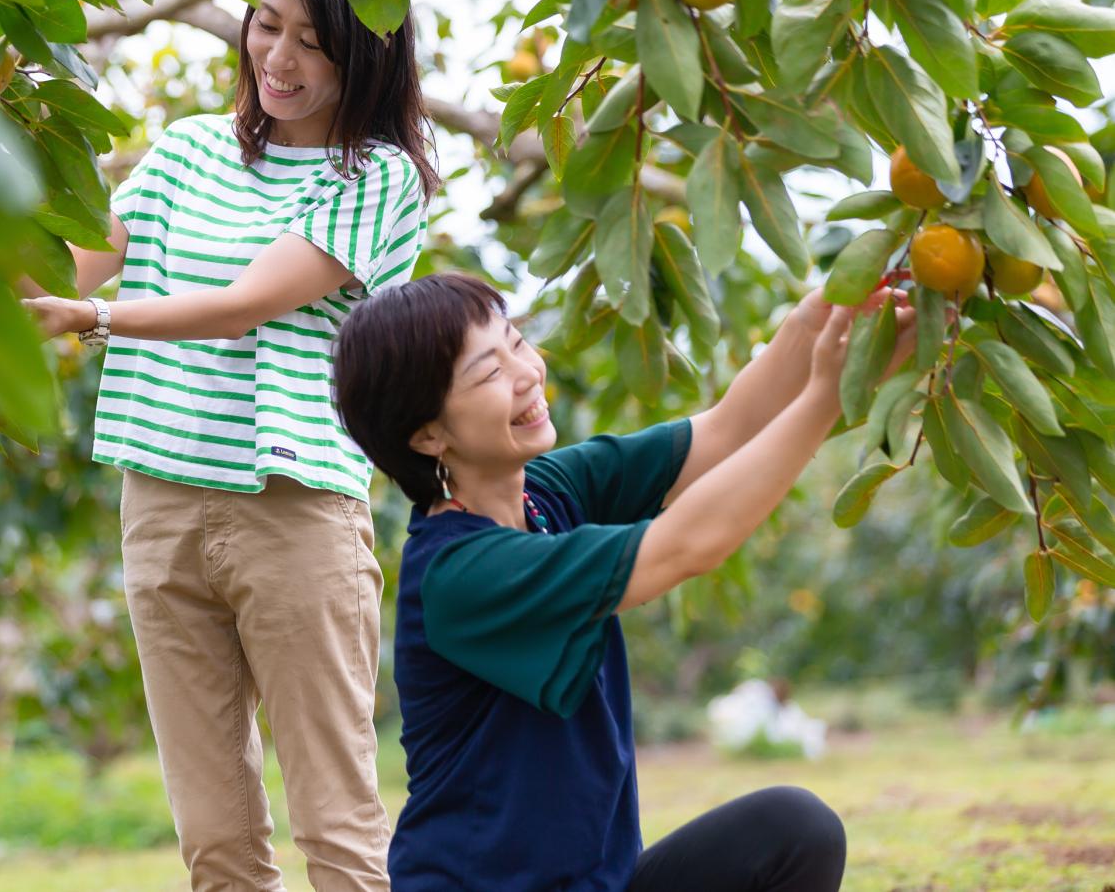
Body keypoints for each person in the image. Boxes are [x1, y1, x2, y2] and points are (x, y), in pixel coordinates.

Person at [22, 0, 438, 892]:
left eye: (312, 40)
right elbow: (67, 266)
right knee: (213, 841)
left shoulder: (377, 180)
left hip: (291, 510)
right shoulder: (185, 152)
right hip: (160, 505)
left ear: (365, 50)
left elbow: (251, 298)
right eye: (266, 25)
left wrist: (94, 318)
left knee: (336, 825)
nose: (279, 59)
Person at [332, 271, 916, 892]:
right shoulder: (462, 575)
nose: (528, 372)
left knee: (795, 830)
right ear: (428, 434)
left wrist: (816, 319)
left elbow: (724, 432)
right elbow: (686, 546)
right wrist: (825, 396)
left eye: (516, 343)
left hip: (602, 882)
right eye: (489, 372)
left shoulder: (549, 495)